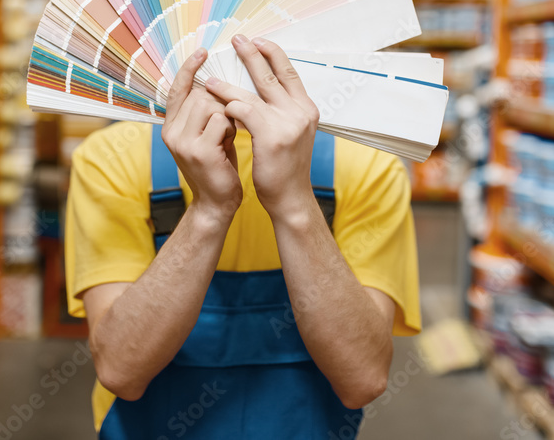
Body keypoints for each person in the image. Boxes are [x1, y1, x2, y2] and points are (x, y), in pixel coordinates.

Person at [65, 34, 421, 439]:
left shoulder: (368, 169)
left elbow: (363, 379)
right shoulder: (112, 159)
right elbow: (121, 370)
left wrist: (295, 204)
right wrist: (208, 212)